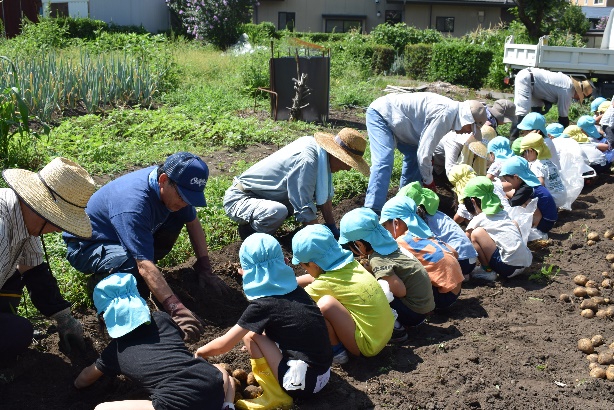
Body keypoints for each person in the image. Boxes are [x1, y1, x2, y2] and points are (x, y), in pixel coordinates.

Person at [64, 152, 225, 342]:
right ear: (164, 180)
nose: (185, 203)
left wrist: (205, 267)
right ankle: (100, 282)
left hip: (123, 232)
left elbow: (193, 222)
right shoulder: (133, 204)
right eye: (183, 197)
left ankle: (145, 272)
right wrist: (176, 309)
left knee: (176, 217)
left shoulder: (176, 190)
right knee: (131, 263)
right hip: (89, 245)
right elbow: (143, 265)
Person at [195, 233, 332, 409]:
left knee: (251, 335)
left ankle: (275, 395)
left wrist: (200, 353)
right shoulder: (296, 292)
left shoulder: (263, 305)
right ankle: (277, 380)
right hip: (324, 374)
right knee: (263, 332)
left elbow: (224, 345)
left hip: (304, 386)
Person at [74, 273, 236, 410]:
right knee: (218, 370)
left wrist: (75, 384)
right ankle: (228, 405)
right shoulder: (162, 319)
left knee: (101, 408)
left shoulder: (115, 351)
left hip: (176, 404)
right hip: (211, 385)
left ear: (105, 317)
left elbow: (85, 379)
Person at [1, 157, 95, 361]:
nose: (59, 229)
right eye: (59, 221)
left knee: (13, 283)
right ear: (41, 211)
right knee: (18, 332)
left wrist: (63, 317)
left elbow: (34, 270)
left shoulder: (21, 214)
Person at [223, 128, 370, 240]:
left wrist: (332, 228)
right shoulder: (308, 160)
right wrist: (323, 242)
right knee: (276, 212)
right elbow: (302, 204)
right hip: (242, 198)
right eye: (347, 162)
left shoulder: (321, 155)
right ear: (337, 154)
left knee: (284, 210)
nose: (348, 168)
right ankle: (250, 236)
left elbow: (325, 197)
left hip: (267, 198)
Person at [364, 92, 487, 213]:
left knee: (414, 162)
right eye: (471, 129)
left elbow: (423, 151)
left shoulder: (452, 115)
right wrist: (429, 183)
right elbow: (424, 155)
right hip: (383, 114)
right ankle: (373, 210)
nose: (468, 133)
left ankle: (403, 205)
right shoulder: (446, 115)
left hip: (405, 125)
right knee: (384, 160)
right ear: (468, 120)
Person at [292, 225, 394, 364]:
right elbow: (321, 278)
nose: (305, 271)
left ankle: (337, 352)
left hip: (367, 346)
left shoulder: (325, 284)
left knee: (324, 305)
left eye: (305, 267)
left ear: (314, 265)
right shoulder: (352, 265)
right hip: (386, 333)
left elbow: (296, 303)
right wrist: (292, 282)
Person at [338, 207, 435, 335]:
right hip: (425, 306)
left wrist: (375, 278)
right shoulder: (390, 244)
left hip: (414, 314)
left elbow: (400, 291)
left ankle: (396, 327)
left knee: (371, 291)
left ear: (359, 245)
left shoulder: (378, 259)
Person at [379, 196, 465, 308]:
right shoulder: (423, 231)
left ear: (396, 223)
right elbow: (454, 252)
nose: (385, 230)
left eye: (385, 226)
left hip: (441, 297)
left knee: (393, 272)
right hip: (455, 290)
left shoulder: (400, 242)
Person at [398, 182, 478, 277]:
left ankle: (456, 273)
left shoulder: (424, 220)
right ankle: (462, 273)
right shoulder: (436, 215)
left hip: (460, 260)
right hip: (469, 259)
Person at [463, 177, 532, 280]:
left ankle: (487, 271)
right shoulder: (502, 212)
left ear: (473, 201)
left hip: (507, 268)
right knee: (513, 223)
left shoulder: (479, 218)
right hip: (525, 263)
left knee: (476, 233)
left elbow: (465, 240)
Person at [511, 68, 592, 139]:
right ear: (579, 92)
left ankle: (533, 138)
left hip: (535, 83)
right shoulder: (568, 89)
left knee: (537, 113)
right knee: (522, 111)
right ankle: (513, 139)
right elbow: (563, 117)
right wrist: (565, 134)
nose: (578, 99)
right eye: (580, 97)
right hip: (527, 79)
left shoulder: (567, 83)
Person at [499, 156, 558, 238]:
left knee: (521, 203)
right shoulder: (530, 182)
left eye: (508, 180)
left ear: (516, 177)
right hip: (549, 219)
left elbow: (513, 203)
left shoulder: (527, 188)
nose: (507, 183)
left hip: (545, 222)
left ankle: (534, 228)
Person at [520, 133, 567, 208]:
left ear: (531, 150)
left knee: (525, 198)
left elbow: (540, 183)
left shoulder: (536, 165)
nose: (524, 156)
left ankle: (543, 215)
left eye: (524, 152)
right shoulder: (549, 162)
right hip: (562, 196)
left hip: (552, 199)